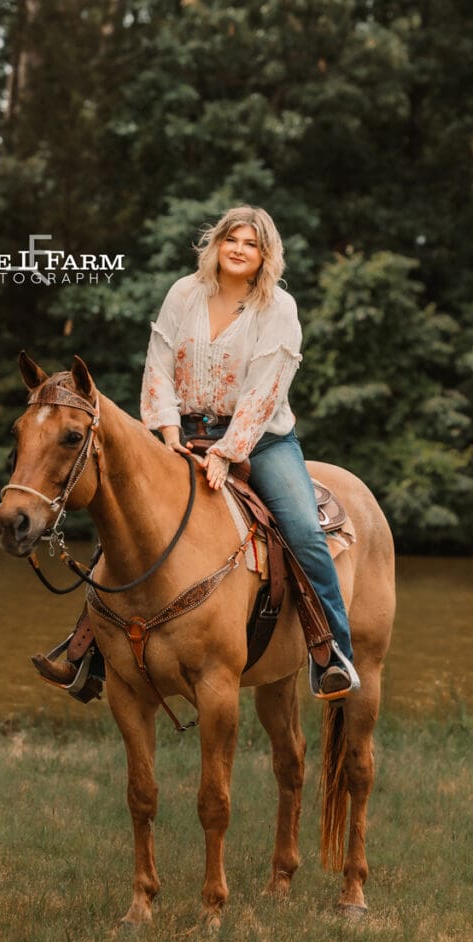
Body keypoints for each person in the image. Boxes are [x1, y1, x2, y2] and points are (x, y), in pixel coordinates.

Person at [140, 205, 359, 698]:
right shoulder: (184, 293)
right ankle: (90, 647)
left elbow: (265, 390)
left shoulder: (278, 308)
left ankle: (332, 655)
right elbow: (159, 362)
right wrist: (167, 431)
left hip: (262, 440)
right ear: (216, 244)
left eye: (251, 244)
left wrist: (227, 452)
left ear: (265, 255)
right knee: (127, 509)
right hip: (183, 431)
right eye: (232, 240)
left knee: (304, 531)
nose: (239, 250)